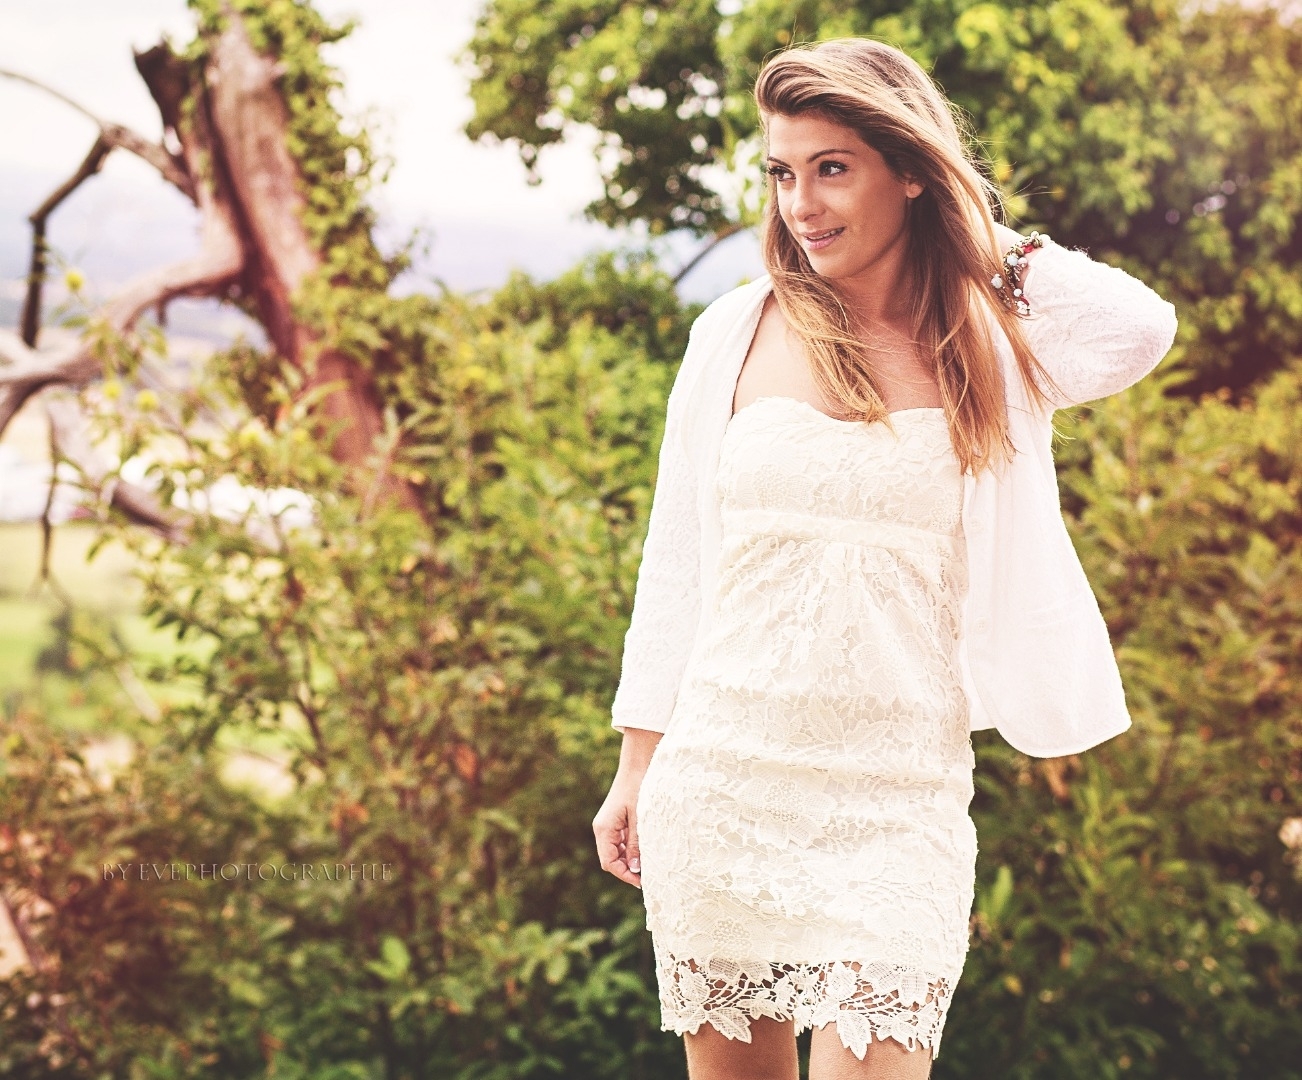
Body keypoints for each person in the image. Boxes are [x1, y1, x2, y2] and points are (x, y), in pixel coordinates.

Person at [592, 37, 1178, 1080]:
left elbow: (1138, 329)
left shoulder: (991, 343)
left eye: (833, 168)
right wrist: (638, 759)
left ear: (909, 169)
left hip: (900, 798)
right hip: (725, 778)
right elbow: (675, 557)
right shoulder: (733, 332)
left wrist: (974, 234)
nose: (802, 205)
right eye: (782, 172)